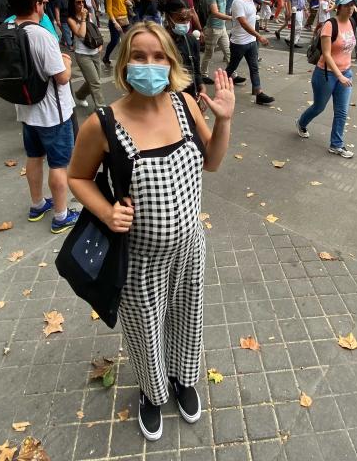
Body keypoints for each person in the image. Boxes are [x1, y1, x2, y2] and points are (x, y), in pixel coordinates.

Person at [67, 24, 234, 441]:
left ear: (172, 63)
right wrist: (107, 212)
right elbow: (76, 177)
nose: (149, 64)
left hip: (190, 247)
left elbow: (211, 162)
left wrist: (224, 120)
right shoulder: (102, 123)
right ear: (124, 65)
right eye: (139, 57)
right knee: (144, 330)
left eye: (159, 57)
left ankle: (182, 380)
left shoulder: (186, 106)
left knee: (187, 320)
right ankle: (151, 392)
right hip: (139, 259)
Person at [8, 0, 80, 231]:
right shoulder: (41, 35)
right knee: (59, 164)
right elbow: (61, 77)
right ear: (36, 5)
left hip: (26, 110)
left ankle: (37, 203)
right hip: (53, 112)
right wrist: (67, 62)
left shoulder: (6, 29)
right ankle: (61, 216)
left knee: (34, 157)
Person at [296, 0, 357, 158]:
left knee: (342, 112)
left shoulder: (352, 22)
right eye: (347, 5)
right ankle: (301, 123)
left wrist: (346, 71)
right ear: (339, 7)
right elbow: (327, 54)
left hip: (346, 73)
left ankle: (336, 145)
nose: (351, 8)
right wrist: (339, 75)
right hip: (326, 74)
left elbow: (348, 48)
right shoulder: (330, 25)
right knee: (319, 107)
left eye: (353, 4)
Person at [225, 0, 274, 105]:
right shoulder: (238, 2)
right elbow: (243, 23)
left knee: (254, 68)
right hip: (239, 42)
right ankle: (222, 85)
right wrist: (259, 36)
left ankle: (259, 93)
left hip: (251, 41)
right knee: (232, 67)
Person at [66, 0, 105, 109]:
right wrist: (83, 18)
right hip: (83, 54)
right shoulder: (71, 19)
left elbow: (94, 30)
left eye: (83, 1)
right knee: (95, 83)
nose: (81, 4)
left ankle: (80, 94)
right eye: (78, 2)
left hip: (94, 51)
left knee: (94, 80)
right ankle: (101, 108)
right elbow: (81, 34)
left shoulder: (88, 14)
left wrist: (100, 44)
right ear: (73, 4)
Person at [161, 0, 203, 100]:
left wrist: (201, 87)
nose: (185, 23)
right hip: (166, 97)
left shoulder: (191, 41)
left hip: (190, 96)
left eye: (188, 20)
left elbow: (196, 71)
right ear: (168, 17)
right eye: (180, 19)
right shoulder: (159, 42)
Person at [199, 0, 233, 84]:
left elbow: (223, 9)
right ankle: (203, 74)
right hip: (213, 28)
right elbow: (215, 12)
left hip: (222, 27)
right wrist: (229, 17)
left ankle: (232, 73)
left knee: (228, 51)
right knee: (209, 53)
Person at [103, 0, 132, 67]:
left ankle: (127, 60)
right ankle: (106, 57)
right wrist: (114, 22)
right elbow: (109, 9)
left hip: (125, 19)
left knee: (128, 40)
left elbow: (126, 3)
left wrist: (129, 3)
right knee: (114, 41)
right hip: (115, 20)